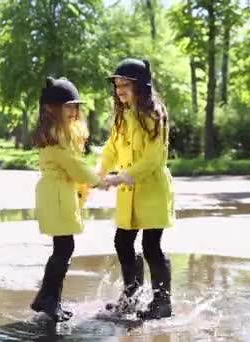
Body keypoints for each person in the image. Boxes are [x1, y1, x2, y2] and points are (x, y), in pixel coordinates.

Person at [97, 58, 175, 320]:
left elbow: (153, 158)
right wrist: (100, 172)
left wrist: (122, 177)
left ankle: (162, 302)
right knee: (123, 241)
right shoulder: (122, 116)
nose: (120, 90)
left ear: (141, 87)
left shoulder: (154, 115)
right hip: (129, 193)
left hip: (151, 190)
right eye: (117, 85)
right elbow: (111, 148)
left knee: (152, 246)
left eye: (125, 85)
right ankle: (131, 296)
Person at [31, 77, 109, 322]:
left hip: (58, 193)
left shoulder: (59, 133)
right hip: (57, 195)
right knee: (64, 248)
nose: (74, 111)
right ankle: (48, 299)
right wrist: (99, 180)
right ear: (51, 109)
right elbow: (73, 166)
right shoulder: (56, 136)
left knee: (62, 248)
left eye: (76, 106)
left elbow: (74, 165)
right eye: (68, 106)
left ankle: (48, 298)